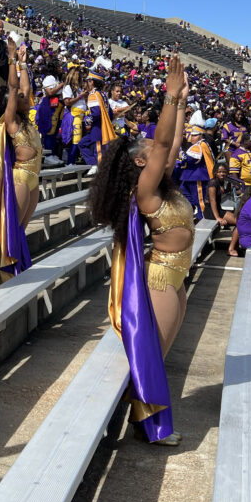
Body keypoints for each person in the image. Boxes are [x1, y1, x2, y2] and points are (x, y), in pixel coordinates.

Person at [88, 55, 190, 446]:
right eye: (152, 149)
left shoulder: (164, 183)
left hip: (176, 277)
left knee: (158, 357)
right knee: (152, 358)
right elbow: (163, 140)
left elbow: (172, 141)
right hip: (161, 277)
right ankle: (147, 425)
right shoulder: (145, 192)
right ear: (140, 162)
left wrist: (179, 101)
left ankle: (142, 417)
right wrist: (166, 98)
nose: (160, 150)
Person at [0, 38, 42, 280]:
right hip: (21, 177)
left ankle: (14, 268)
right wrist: (12, 61)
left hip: (33, 177)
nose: (27, 97)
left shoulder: (26, 121)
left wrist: (24, 65)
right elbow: (15, 90)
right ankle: (4, 271)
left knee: (21, 229)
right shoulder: (11, 121)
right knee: (11, 228)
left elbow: (24, 89)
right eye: (21, 98)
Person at [177, 111, 214, 219]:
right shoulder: (199, 145)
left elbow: (190, 159)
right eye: (191, 135)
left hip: (197, 177)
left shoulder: (200, 145)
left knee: (200, 201)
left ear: (201, 135)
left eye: (195, 135)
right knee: (184, 195)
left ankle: (204, 220)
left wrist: (179, 153)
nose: (192, 137)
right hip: (189, 177)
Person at [204, 161, 237, 228]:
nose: (222, 174)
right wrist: (218, 218)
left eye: (224, 172)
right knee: (239, 222)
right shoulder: (213, 183)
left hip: (219, 209)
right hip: (211, 212)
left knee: (240, 221)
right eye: (219, 172)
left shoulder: (221, 182)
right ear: (215, 173)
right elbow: (212, 201)